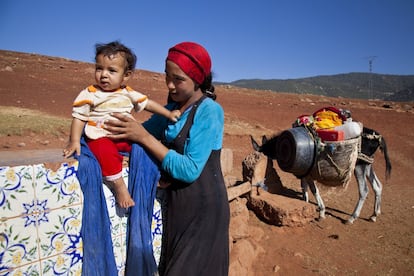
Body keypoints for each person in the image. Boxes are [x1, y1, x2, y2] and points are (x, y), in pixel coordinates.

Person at [105, 41, 230, 275]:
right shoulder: (173, 109)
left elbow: (189, 169)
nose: (170, 85)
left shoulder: (209, 111)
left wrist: (143, 138)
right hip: (178, 207)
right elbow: (139, 131)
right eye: (167, 76)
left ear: (198, 79)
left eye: (178, 79)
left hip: (205, 211)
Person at [63, 41, 180, 208]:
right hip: (100, 135)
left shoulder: (127, 92)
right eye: (99, 68)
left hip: (125, 135)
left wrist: (168, 114)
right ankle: (119, 185)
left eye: (111, 70)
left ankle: (159, 175)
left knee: (147, 149)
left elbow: (147, 104)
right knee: (104, 150)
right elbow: (79, 117)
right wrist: (74, 141)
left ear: (126, 75)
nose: (103, 75)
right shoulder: (90, 93)